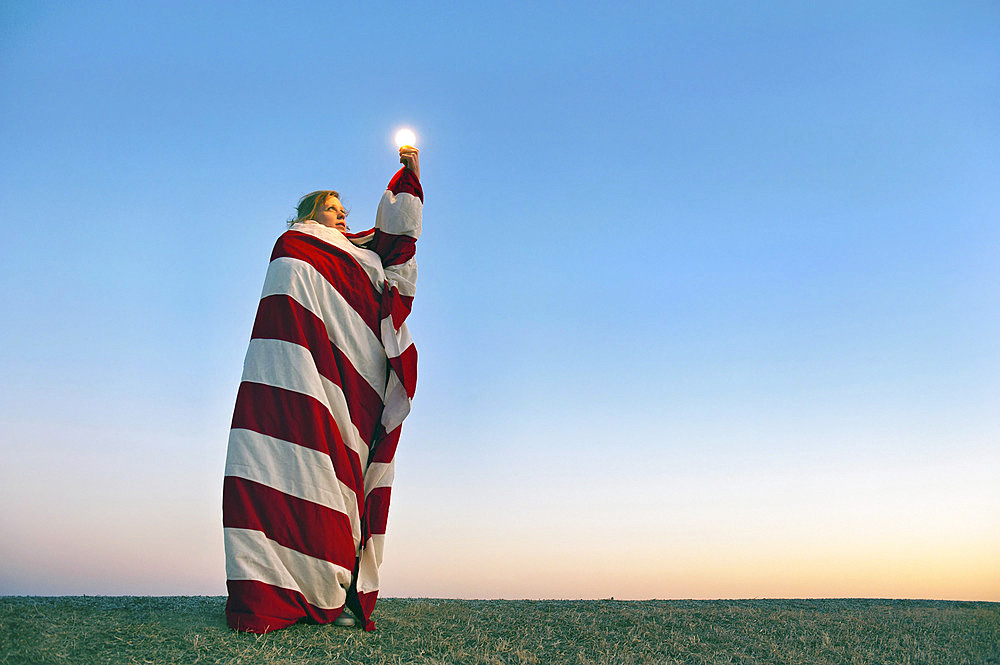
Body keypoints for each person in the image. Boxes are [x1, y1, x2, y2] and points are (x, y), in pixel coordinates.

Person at [222, 147, 422, 633]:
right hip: (291, 372)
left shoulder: (359, 254)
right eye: (333, 207)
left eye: (344, 209)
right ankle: (267, 581)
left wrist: (410, 178)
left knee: (336, 481)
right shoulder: (295, 243)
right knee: (273, 466)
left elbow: (391, 261)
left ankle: (329, 580)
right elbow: (289, 297)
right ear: (313, 211)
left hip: (343, 391)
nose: (342, 214)